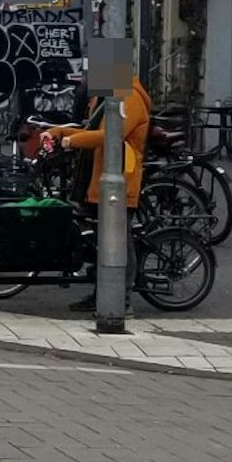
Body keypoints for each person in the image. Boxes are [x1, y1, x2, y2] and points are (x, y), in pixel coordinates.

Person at [40, 75, 152, 312]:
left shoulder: (128, 97)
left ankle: (121, 300)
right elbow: (89, 127)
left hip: (121, 178)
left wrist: (70, 142)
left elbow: (111, 135)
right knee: (103, 240)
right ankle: (102, 294)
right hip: (97, 178)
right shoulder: (104, 97)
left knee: (119, 241)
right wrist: (58, 132)